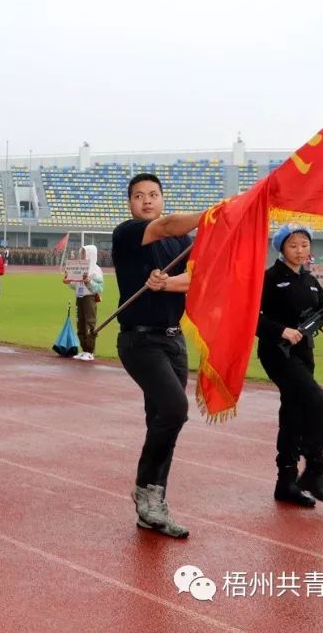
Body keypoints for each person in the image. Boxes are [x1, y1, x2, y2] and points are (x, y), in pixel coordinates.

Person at [112, 173, 202, 538]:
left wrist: (168, 283)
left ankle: (153, 504)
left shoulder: (182, 242)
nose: (147, 201)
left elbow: (199, 277)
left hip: (173, 341)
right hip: (140, 342)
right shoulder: (129, 232)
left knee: (163, 420)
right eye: (139, 196)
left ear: (163, 197)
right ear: (130, 204)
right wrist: (213, 213)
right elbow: (164, 226)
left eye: (153, 194)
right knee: (174, 408)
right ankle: (145, 490)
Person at [257, 224, 323, 507]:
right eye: (293, 245)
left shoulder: (311, 281)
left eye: (304, 244)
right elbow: (252, 317)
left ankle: (287, 482)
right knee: (316, 400)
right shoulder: (269, 278)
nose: (300, 250)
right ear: (281, 248)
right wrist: (281, 330)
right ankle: (315, 469)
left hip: (304, 354)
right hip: (277, 353)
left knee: (293, 412)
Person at [67, 244, 104, 361]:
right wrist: (70, 280)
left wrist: (89, 281)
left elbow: (99, 288)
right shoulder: (79, 267)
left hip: (89, 298)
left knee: (90, 322)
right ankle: (84, 350)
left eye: (84, 253)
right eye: (81, 253)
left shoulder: (96, 270)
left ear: (90, 255)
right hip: (80, 296)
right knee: (80, 322)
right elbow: (75, 285)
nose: (82, 255)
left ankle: (90, 351)